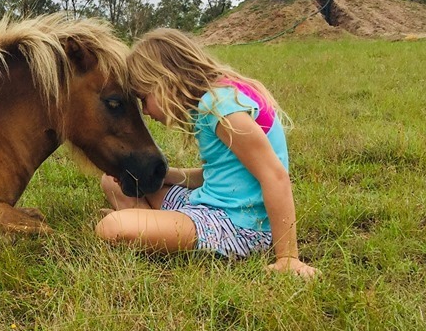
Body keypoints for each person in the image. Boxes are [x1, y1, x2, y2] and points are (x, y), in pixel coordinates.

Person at [95, 28, 316, 278]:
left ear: (164, 82)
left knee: (111, 226)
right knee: (114, 181)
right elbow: (227, 173)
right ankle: (153, 228)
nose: (145, 111)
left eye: (144, 99)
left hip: (236, 225)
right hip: (207, 204)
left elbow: (274, 175)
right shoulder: (213, 101)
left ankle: (148, 228)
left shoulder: (220, 108)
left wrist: (288, 257)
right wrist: (172, 176)